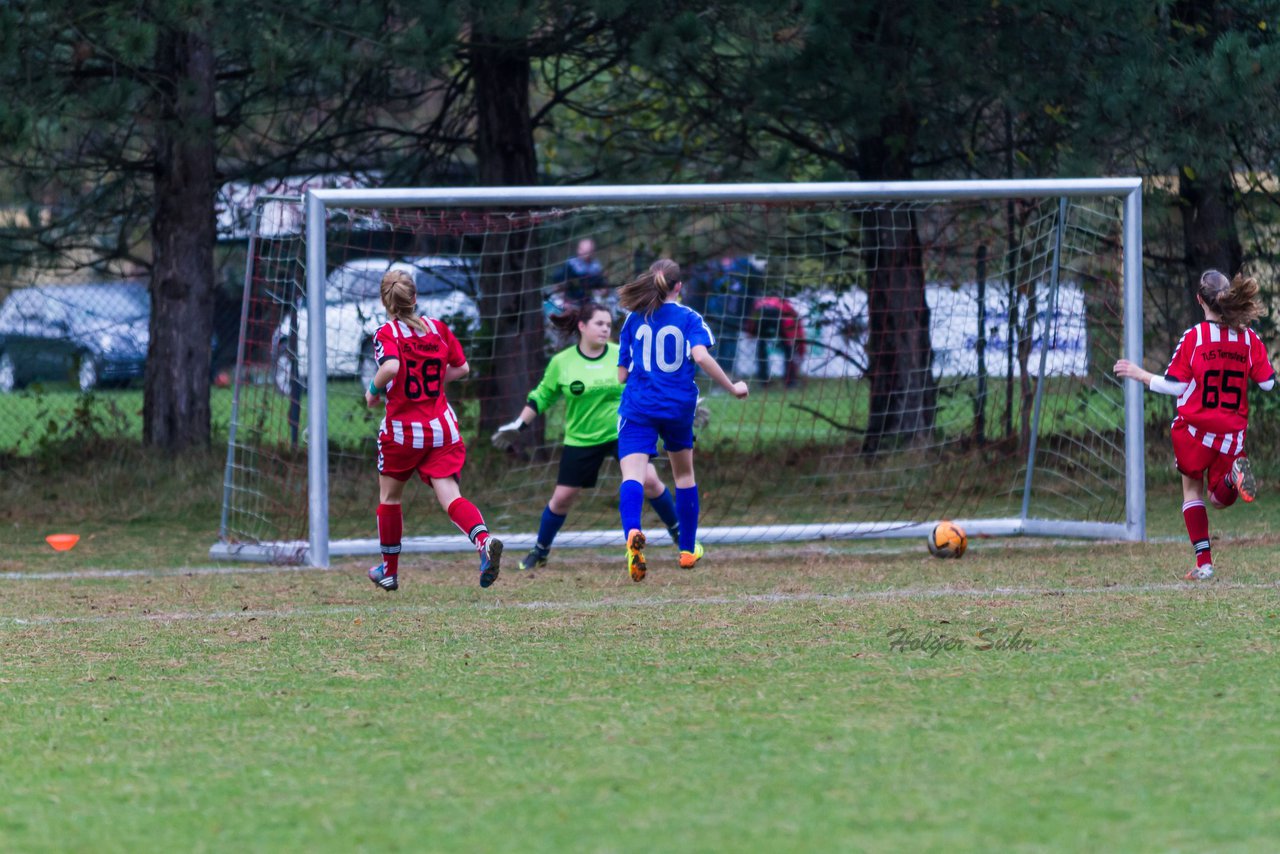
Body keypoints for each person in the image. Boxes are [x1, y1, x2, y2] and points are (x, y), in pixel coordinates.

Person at [490, 302, 706, 570]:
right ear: (582, 326)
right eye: (599, 324)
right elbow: (542, 396)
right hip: (581, 439)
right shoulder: (562, 362)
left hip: (622, 431)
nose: (606, 329)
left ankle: (681, 538)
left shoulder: (622, 353)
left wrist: (688, 408)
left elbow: (655, 384)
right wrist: (519, 425)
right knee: (562, 498)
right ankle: (540, 550)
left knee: (650, 480)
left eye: (608, 324)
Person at [1114, 269, 1274, 581]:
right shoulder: (1249, 338)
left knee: (1193, 491)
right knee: (1219, 498)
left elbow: (1175, 386)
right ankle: (1232, 476)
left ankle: (1204, 563)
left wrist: (1140, 373)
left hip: (1196, 430)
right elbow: (1267, 384)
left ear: (1200, 300)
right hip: (1231, 434)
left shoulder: (1195, 338)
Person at [364, 269, 503, 591]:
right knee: (450, 495)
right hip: (443, 429)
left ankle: (389, 570)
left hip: (403, 432)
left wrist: (373, 390)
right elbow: (463, 368)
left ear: (386, 302)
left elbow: (392, 366)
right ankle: (483, 541)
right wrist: (431, 381)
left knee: (390, 498)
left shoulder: (387, 332)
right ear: (415, 298)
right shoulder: (437, 328)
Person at [614, 258, 749, 582]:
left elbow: (621, 376)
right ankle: (687, 550)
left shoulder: (634, 319)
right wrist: (733, 387)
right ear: (679, 286)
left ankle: (633, 533)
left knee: (632, 476)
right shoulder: (690, 318)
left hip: (639, 407)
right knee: (684, 475)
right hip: (677, 408)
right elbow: (701, 357)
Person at [744, 293, 806, 388]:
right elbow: (796, 323)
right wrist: (799, 349)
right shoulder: (784, 303)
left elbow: (753, 317)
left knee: (762, 348)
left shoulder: (760, 302)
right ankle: (789, 381)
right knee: (788, 349)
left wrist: (750, 332)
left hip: (762, 315)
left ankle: (763, 380)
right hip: (777, 316)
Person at [550, 238, 608, 308]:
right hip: (569, 302)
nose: (587, 253)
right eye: (585, 250)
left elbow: (602, 287)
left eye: (590, 250)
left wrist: (602, 293)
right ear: (579, 250)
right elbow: (557, 284)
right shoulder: (571, 264)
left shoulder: (596, 266)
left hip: (589, 302)